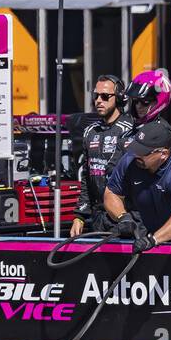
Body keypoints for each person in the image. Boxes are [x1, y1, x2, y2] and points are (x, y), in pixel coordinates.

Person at [104, 120, 171, 246]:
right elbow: (111, 193)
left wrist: (153, 240)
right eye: (135, 148)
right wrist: (123, 217)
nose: (136, 154)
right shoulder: (130, 160)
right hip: (157, 234)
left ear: (163, 154)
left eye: (143, 152)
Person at [71, 75, 134, 237]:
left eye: (105, 96)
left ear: (119, 97)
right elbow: (86, 177)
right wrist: (80, 216)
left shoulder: (129, 130)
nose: (99, 100)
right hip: (98, 216)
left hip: (125, 215)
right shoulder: (89, 131)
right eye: (96, 96)